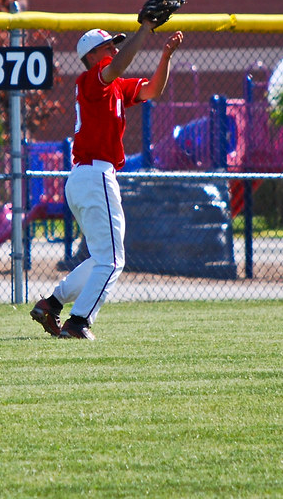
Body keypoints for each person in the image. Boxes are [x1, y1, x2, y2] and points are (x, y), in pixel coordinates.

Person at [31, 22, 183, 340]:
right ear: (92, 55)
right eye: (108, 46)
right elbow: (118, 64)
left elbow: (152, 90)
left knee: (101, 258)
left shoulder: (113, 87)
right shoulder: (90, 80)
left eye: (116, 45)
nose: (114, 49)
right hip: (94, 175)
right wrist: (146, 29)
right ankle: (78, 322)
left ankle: (52, 303)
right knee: (113, 261)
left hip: (88, 177)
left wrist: (165, 55)